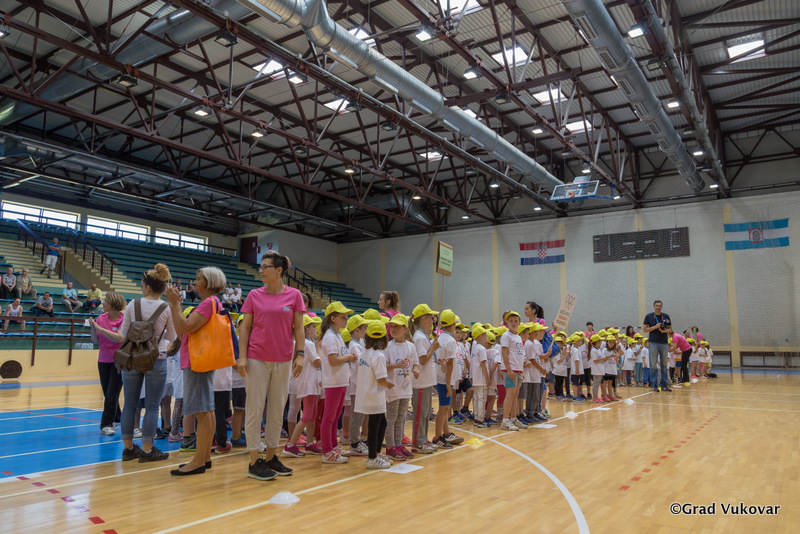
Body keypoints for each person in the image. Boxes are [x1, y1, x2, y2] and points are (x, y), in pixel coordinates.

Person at [90, 264, 175, 463]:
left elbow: (124, 334)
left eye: (142, 285)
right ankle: (147, 450)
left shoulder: (132, 304)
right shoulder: (166, 308)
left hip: (132, 357)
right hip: (156, 358)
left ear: (148, 287)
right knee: (152, 406)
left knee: (129, 404)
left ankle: (128, 448)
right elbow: (172, 336)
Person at [238, 251, 305, 481]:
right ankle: (253, 461)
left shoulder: (294, 295)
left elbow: (299, 328)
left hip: (283, 359)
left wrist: (300, 354)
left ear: (278, 270)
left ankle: (271, 457)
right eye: (261, 267)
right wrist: (242, 356)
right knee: (255, 408)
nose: (261, 270)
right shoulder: (254, 295)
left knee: (277, 409)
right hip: (256, 358)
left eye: (265, 266)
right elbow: (245, 328)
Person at [164, 266, 229, 475]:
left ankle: (199, 460)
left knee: (201, 411)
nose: (195, 282)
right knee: (206, 410)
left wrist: (175, 304)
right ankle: (205, 457)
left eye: (199, 278)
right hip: (201, 359)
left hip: (197, 360)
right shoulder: (213, 302)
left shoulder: (208, 303)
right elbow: (182, 331)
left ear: (209, 283)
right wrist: (174, 306)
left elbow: (186, 328)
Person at [319, 301, 357, 464]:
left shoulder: (338, 335)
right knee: (329, 417)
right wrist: (348, 357)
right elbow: (333, 361)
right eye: (343, 317)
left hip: (340, 381)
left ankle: (334, 446)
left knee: (335, 417)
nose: (346, 320)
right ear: (333, 318)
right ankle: (327, 451)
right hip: (333, 381)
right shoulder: (329, 337)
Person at [355, 320, 395, 469]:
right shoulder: (378, 355)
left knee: (381, 423)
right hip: (374, 396)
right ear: (385, 338)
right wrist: (389, 384)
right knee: (374, 426)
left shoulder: (364, 353)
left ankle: (376, 453)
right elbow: (381, 379)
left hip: (367, 393)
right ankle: (372, 458)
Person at [283, 315, 323, 458]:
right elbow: (318, 362)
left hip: (309, 383)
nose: (316, 329)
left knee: (312, 415)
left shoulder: (303, 343)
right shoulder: (308, 344)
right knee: (307, 416)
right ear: (307, 330)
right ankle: (290, 445)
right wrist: (319, 348)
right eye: (313, 326)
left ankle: (310, 443)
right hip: (308, 384)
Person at [91, 292, 126, 435]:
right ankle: (117, 418)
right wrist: (93, 328)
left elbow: (119, 338)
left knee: (112, 392)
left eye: (106, 300)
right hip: (103, 360)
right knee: (108, 392)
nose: (103, 303)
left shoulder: (123, 319)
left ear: (113, 304)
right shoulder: (101, 318)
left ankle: (106, 424)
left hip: (119, 361)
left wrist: (99, 328)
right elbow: (95, 341)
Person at [384, 314, 417, 460]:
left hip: (406, 389)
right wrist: (395, 365)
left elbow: (415, 363)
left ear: (405, 329)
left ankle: (398, 444)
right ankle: (390, 446)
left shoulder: (411, 346)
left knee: (400, 418)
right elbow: (383, 366)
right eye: (392, 326)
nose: (393, 329)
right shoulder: (387, 347)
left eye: (397, 326)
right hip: (392, 388)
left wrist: (416, 370)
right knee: (391, 418)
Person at [410, 304, 439, 454]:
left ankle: (423, 439)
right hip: (420, 382)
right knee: (420, 413)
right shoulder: (419, 338)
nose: (433, 320)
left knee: (425, 413)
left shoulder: (423, 336)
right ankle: (417, 442)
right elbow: (422, 360)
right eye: (431, 317)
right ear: (424, 319)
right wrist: (433, 348)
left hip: (427, 381)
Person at [642, 300, 673, 392]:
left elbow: (671, 330)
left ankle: (664, 385)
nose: (658, 307)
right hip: (653, 343)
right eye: (656, 305)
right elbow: (645, 330)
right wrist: (655, 327)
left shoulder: (666, 316)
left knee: (664, 365)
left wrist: (664, 331)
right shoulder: (649, 316)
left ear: (662, 306)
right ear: (654, 306)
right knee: (653, 365)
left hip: (664, 343)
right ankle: (654, 385)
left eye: (660, 305)